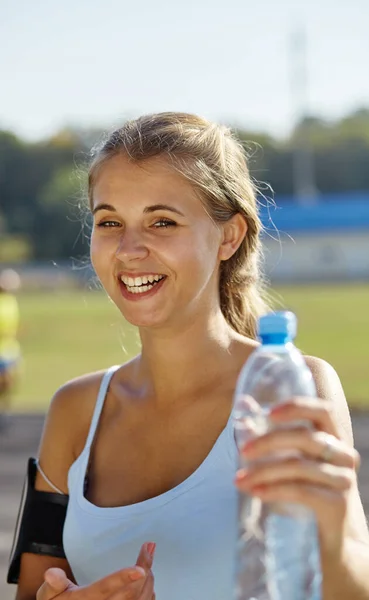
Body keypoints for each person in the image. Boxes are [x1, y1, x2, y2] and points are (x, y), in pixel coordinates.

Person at [8, 112, 369, 600]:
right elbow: (33, 592)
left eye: (162, 221)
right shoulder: (74, 410)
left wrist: (333, 525)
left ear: (229, 236)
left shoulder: (291, 388)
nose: (129, 249)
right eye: (109, 221)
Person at [0, 268, 21, 427]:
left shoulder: (11, 301)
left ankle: (5, 413)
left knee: (10, 383)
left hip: (10, 348)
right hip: (2, 350)